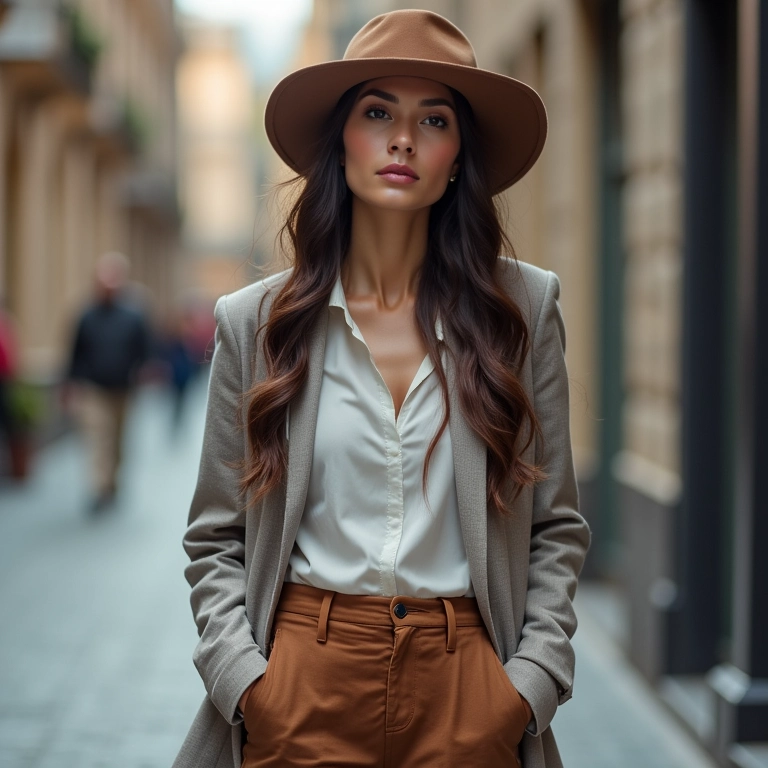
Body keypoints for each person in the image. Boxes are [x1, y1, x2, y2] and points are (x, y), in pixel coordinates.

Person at [174, 10, 590, 768]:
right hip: (302, 681)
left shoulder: (524, 309)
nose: (404, 138)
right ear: (341, 143)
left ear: (459, 155)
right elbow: (214, 538)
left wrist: (528, 685)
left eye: (433, 119)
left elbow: (556, 528)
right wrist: (247, 685)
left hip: (469, 681)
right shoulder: (255, 323)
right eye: (378, 113)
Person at [64, 251, 152, 513]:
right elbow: (74, 352)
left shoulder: (134, 315)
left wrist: (146, 370)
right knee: (98, 437)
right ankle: (99, 487)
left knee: (119, 440)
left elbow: (146, 349)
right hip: (93, 389)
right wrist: (69, 383)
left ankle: (112, 481)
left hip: (124, 389)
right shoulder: (86, 315)